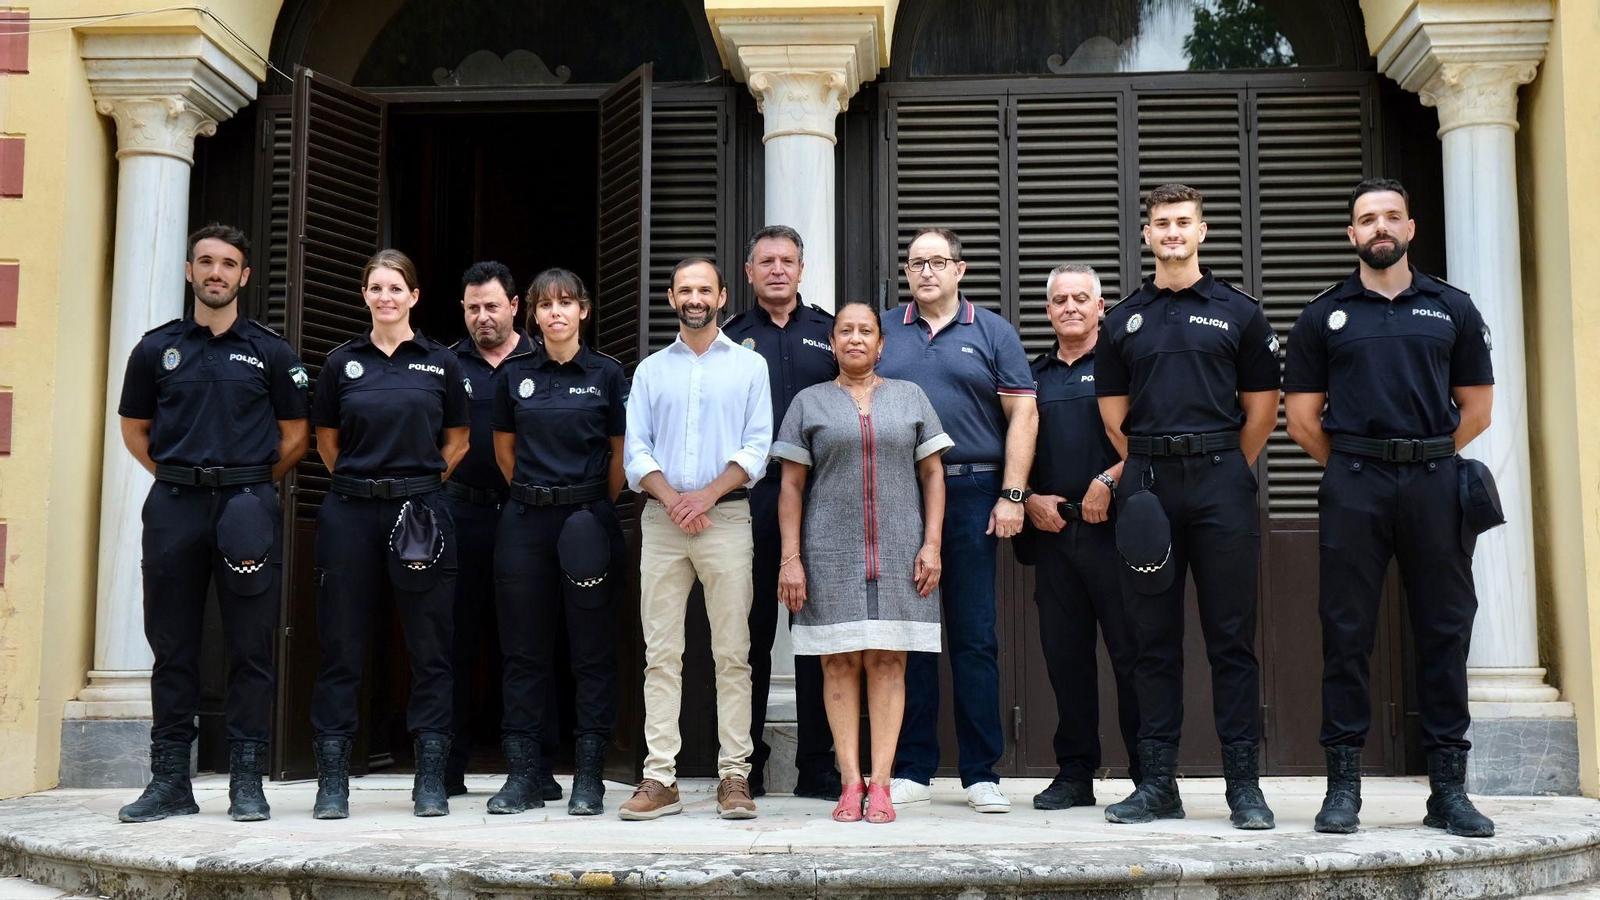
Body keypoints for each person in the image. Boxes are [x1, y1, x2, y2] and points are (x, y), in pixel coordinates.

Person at [1285, 178, 1496, 838]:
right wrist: (1361, 466)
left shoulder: (1451, 308)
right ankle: (1343, 788)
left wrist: (1424, 455)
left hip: (1435, 480)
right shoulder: (1323, 316)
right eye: (1366, 219)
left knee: (1444, 629)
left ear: (1411, 229)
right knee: (1346, 632)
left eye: (1391, 216)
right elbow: (1299, 419)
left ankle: (1448, 790)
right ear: (1351, 235)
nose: (1380, 227)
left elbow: (1479, 409)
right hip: (1353, 480)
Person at [1095, 184, 1281, 830]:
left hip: (1220, 482)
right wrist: (1151, 461)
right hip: (1146, 486)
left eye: (1183, 222)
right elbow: (1114, 416)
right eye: (1161, 223)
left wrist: (1224, 464)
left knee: (1232, 639)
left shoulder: (1240, 313)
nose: (1172, 232)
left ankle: (1244, 790)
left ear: (1202, 231)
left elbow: (1261, 411)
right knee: (1153, 642)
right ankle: (1156, 785)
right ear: (1146, 235)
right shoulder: (1122, 320)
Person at [116, 224, 310, 824]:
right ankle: (171, 780)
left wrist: (247, 483)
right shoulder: (155, 349)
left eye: (228, 263)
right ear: (188, 271)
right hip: (174, 505)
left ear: (244, 276)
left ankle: (246, 784)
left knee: (251, 645)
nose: (216, 273)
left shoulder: (272, 352)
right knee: (172, 644)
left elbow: (296, 436)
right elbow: (135, 430)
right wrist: (180, 477)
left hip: (247, 505)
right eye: (206, 262)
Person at [876, 227, 1037, 813]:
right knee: (910, 636)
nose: (926, 272)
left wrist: (1012, 494)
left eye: (937, 262)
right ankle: (913, 765)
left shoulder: (992, 331)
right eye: (916, 263)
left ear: (960, 269)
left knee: (974, 636)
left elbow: (1023, 412)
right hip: (899, 492)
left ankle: (980, 772)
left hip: (973, 490)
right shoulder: (885, 331)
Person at [773, 300, 951, 824]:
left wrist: (932, 543)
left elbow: (933, 476)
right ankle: (850, 783)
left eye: (865, 331)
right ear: (832, 344)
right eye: (845, 331)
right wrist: (791, 559)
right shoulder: (809, 403)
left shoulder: (910, 397)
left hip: (901, 552)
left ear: (881, 344)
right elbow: (790, 485)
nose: (855, 338)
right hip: (829, 552)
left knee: (889, 661)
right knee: (839, 661)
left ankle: (882, 784)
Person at [308, 249, 471, 819]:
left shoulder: (440, 363)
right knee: (341, 647)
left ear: (414, 296)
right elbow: (326, 442)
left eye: (396, 288)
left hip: (420, 513)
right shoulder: (339, 364)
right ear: (365, 296)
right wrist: (363, 483)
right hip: (350, 512)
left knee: (430, 648)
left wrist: (420, 485)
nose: (386, 297)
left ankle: (428, 780)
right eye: (376, 288)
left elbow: (457, 439)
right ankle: (333, 783)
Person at [620, 257, 772, 820]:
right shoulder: (650, 371)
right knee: (662, 656)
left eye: (704, 288)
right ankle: (661, 778)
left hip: (725, 519)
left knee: (733, 654)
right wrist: (672, 499)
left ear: (723, 295)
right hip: (663, 524)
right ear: (671, 297)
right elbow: (636, 452)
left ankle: (735, 777)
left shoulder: (749, 368)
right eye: (685, 289)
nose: (695, 297)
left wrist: (705, 496)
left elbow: (758, 446)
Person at [488, 268, 627, 816]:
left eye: (567, 302)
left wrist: (591, 504)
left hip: (588, 517)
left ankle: (587, 779)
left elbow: (619, 457)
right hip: (525, 520)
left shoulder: (609, 375)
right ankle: (525, 775)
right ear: (535, 315)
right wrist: (535, 496)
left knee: (591, 651)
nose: (556, 313)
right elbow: (505, 452)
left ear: (584, 311)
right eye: (546, 305)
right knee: (523, 651)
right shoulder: (515, 375)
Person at [722, 225, 842, 801]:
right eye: (765, 260)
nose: (776, 269)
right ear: (749, 273)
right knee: (749, 635)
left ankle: (819, 764)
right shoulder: (728, 338)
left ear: (801, 270)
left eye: (787, 261)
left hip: (822, 500)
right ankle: (744, 763)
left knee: (818, 634)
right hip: (751, 498)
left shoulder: (829, 332)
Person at [1021, 264, 1142, 810]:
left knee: (1132, 657)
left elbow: (1148, 435)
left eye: (1081, 298)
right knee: (1065, 660)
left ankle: (1151, 774)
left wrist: (1107, 481)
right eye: (1059, 300)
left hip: (1117, 533)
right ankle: (1075, 776)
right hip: (1054, 534)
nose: (1070, 306)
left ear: (1101, 307)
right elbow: (1014, 449)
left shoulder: (1124, 367)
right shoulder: (1032, 376)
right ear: (1048, 311)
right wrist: (1030, 497)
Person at [441, 261, 541, 798]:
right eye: (473, 307)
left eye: (492, 306)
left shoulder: (541, 358)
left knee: (530, 641)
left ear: (515, 306)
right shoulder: (444, 363)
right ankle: (447, 765)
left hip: (527, 515)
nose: (483, 316)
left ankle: (536, 766)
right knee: (452, 639)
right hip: (461, 514)